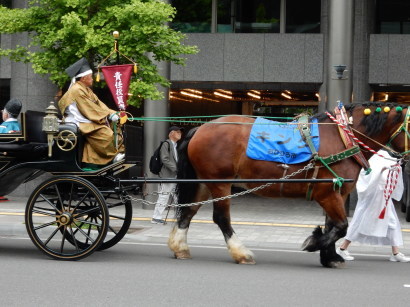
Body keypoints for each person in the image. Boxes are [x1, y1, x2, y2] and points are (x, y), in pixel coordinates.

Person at [336, 149, 410, 262]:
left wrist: (395, 168)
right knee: (359, 222)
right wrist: (382, 169)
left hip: (383, 198)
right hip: (371, 197)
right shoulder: (369, 156)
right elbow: (365, 175)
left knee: (392, 223)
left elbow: (392, 168)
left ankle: (396, 252)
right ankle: (342, 248)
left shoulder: (386, 155)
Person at [58, 58, 124, 167]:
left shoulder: (86, 89)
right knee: (105, 133)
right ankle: (113, 156)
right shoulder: (77, 90)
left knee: (115, 125)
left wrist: (113, 113)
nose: (92, 79)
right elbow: (89, 108)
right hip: (78, 121)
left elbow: (99, 104)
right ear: (84, 78)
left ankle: (113, 155)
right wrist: (107, 115)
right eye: (91, 77)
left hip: (87, 117)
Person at [151, 126, 184, 224]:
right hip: (167, 175)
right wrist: (176, 169)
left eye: (180, 132)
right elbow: (164, 159)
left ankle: (180, 216)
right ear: (171, 133)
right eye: (178, 132)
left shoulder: (175, 145)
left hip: (174, 176)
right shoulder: (166, 144)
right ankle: (156, 217)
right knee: (164, 196)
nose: (180, 134)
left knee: (177, 196)